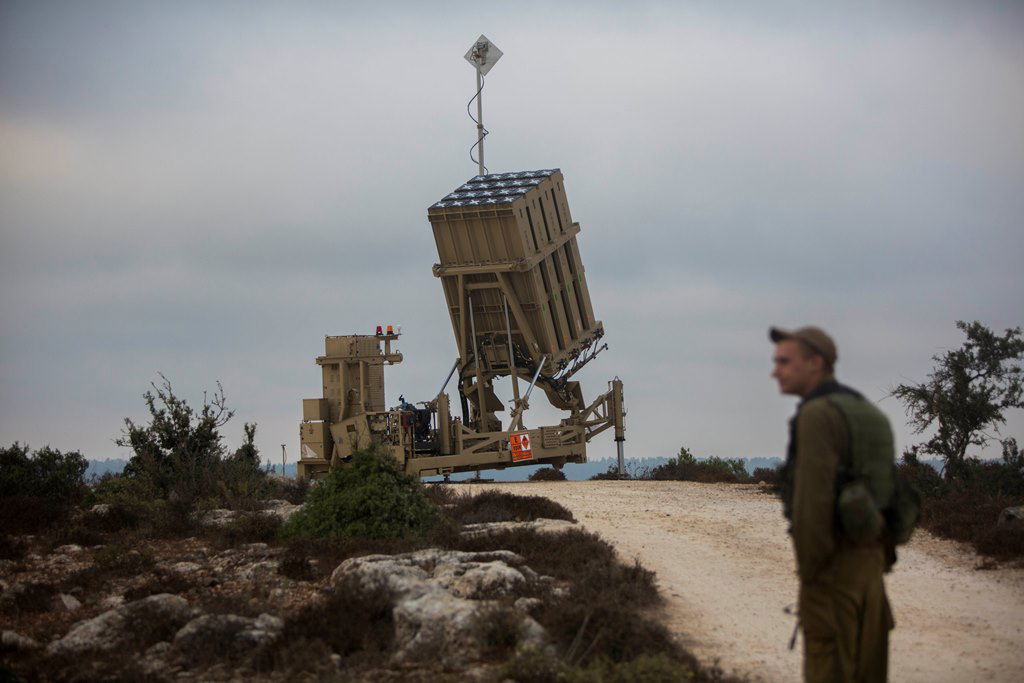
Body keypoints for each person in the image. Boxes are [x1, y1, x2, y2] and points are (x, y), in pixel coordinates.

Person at [770, 325, 895, 683]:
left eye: (785, 361)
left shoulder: (816, 416)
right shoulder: (869, 413)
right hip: (872, 576)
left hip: (831, 579)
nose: (775, 370)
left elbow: (812, 508)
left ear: (815, 363)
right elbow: (896, 503)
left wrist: (812, 578)